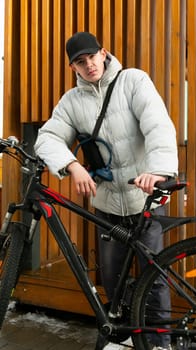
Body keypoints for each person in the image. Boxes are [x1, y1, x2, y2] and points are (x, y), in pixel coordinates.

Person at [34, 32, 178, 350]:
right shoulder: (72, 102)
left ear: (104, 53)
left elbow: (158, 124)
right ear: (73, 68)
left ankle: (160, 342)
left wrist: (157, 170)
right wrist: (71, 165)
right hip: (108, 204)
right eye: (79, 62)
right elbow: (46, 138)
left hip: (145, 200)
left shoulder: (133, 81)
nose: (88, 66)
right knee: (113, 277)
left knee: (153, 279)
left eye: (91, 57)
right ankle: (124, 338)